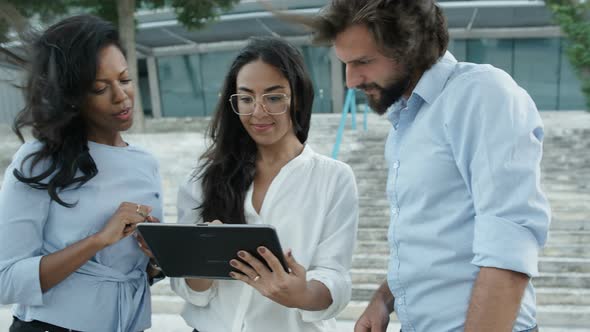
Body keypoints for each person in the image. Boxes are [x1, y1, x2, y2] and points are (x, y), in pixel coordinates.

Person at [297, 1, 552, 331]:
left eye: (363, 62)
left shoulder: (479, 94)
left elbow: (508, 249)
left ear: (411, 48)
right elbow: (438, 242)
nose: (350, 81)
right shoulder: (407, 120)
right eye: (345, 64)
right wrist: (384, 299)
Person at [169, 36, 359, 332]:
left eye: (273, 97)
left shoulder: (333, 178)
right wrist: (201, 261)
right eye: (246, 98)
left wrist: (303, 294)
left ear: (298, 97)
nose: (258, 112)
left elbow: (336, 276)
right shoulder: (204, 177)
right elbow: (189, 287)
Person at [0, 15, 163, 332]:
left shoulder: (146, 162)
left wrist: (157, 258)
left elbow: (138, 272)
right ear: (72, 97)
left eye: (125, 79)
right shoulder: (39, 161)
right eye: (101, 88)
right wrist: (98, 241)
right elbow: (5, 281)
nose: (121, 96)